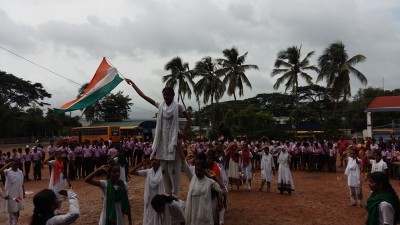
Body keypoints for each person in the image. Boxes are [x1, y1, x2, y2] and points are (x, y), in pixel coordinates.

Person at [125, 78, 192, 196]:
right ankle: (167, 193)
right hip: (161, 140)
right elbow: (144, 96)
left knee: (174, 169)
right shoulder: (160, 105)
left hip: (173, 140)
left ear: (173, 95)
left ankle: (175, 193)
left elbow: (189, 120)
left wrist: (183, 132)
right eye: (164, 95)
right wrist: (133, 84)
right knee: (164, 169)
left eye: (168, 94)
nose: (166, 97)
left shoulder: (178, 107)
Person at [183, 158, 227, 225]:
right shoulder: (192, 178)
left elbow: (224, 191)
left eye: (200, 170)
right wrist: (179, 148)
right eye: (196, 170)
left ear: (205, 170)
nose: (198, 172)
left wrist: (215, 177)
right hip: (193, 214)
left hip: (205, 215)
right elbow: (184, 163)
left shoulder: (209, 181)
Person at [129, 159, 164, 225]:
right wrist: (140, 163)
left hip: (159, 198)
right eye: (152, 160)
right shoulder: (148, 172)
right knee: (149, 215)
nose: (154, 161)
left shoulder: (164, 171)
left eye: (156, 160)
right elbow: (131, 172)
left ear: (160, 162)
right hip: (149, 198)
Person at [43, 150, 71, 214]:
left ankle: (58, 209)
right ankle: (54, 209)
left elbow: (65, 173)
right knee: (55, 194)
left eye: (59, 154)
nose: (58, 155)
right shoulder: (53, 162)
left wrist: (68, 182)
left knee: (61, 195)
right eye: (56, 155)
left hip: (62, 180)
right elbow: (44, 162)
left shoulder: (64, 162)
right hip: (55, 180)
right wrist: (51, 156)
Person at [0, 159, 25, 225]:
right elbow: (0, 171)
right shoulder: (7, 171)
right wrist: (7, 165)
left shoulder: (20, 172)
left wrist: (23, 192)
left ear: (18, 165)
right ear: (11, 165)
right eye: (13, 164)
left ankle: (15, 222)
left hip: (19, 194)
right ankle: (12, 223)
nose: (15, 166)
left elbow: (21, 184)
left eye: (16, 164)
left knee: (17, 209)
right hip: (11, 195)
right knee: (12, 210)